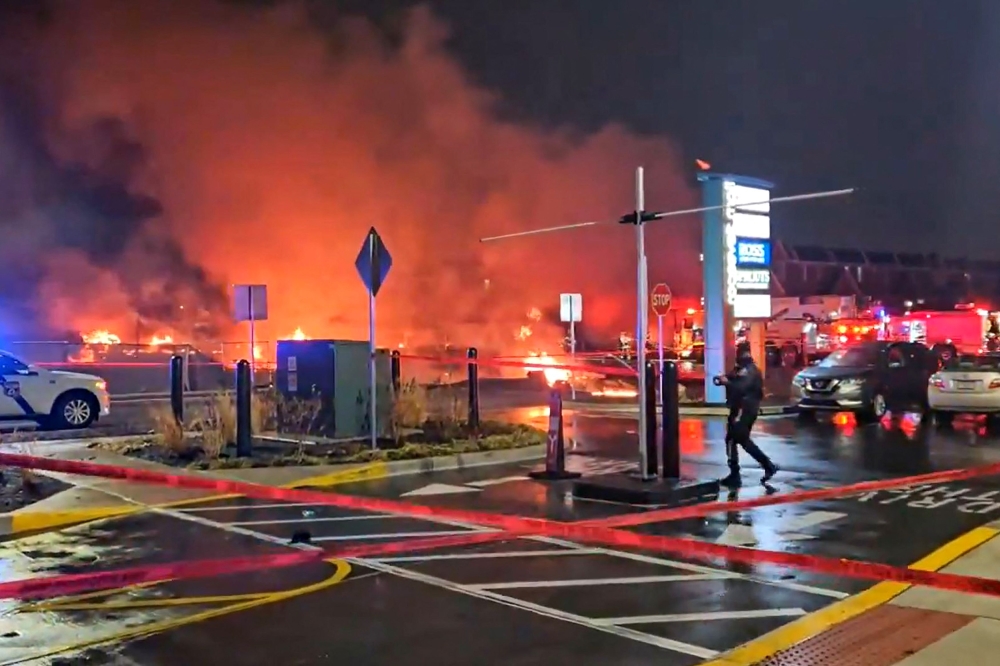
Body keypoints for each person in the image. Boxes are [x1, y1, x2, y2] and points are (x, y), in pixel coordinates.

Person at [715, 345, 778, 487]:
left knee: (735, 439)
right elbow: (735, 381)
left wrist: (727, 382)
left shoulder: (749, 370)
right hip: (742, 409)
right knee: (739, 440)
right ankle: (765, 466)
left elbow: (740, 387)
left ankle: (743, 472)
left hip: (744, 410)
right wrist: (724, 380)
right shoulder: (744, 369)